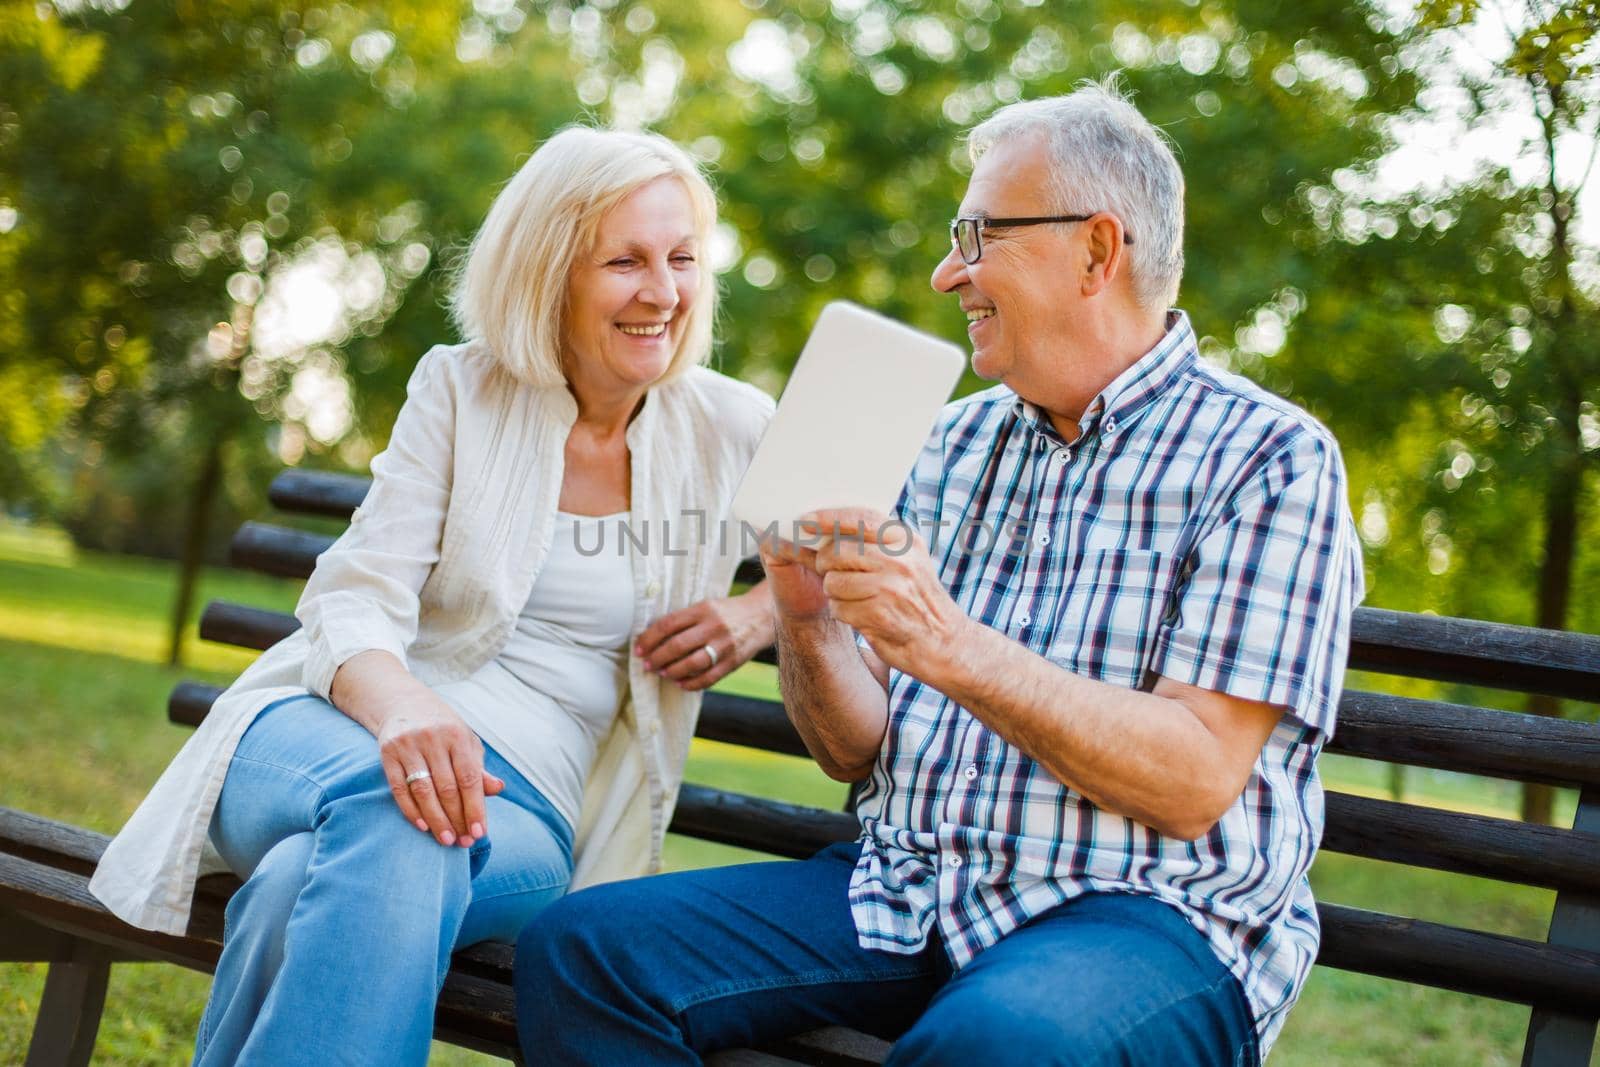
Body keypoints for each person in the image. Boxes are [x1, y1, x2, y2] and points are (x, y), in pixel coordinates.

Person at [513, 79, 1365, 1065]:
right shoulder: (946, 444)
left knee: (993, 1043)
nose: (943, 274)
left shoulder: (1267, 459)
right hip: (907, 889)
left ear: (1095, 250)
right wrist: (805, 617)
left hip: (1149, 918)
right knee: (584, 951)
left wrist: (949, 644)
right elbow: (853, 751)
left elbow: (1191, 779)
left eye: (976, 236)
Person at [88, 126, 778, 1066]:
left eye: (683, 259)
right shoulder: (460, 389)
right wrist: (405, 709)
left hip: (525, 807)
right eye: (625, 260)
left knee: (313, 879)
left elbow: (884, 539)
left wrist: (759, 611)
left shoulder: (730, 425)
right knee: (390, 798)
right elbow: (354, 593)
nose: (662, 291)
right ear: (550, 273)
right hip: (339, 731)